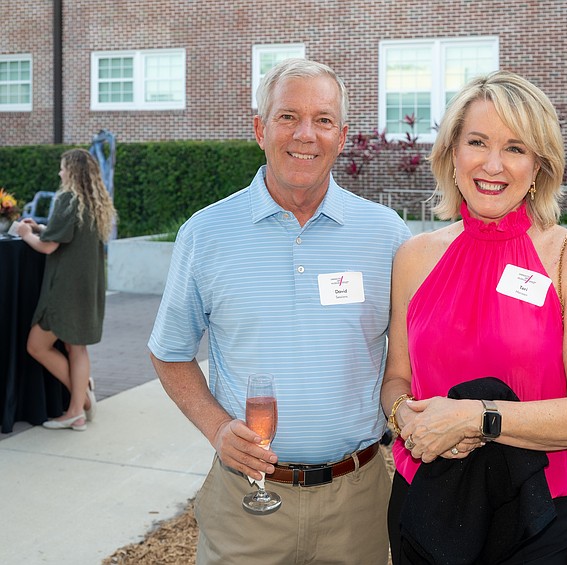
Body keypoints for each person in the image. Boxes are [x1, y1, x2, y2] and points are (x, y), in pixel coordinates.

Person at [148, 58, 410, 565]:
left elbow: (413, 355)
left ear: (342, 135)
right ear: (259, 129)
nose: (305, 135)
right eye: (288, 116)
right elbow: (170, 352)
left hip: (358, 502)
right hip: (247, 504)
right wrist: (217, 428)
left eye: (323, 120)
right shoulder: (205, 235)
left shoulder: (386, 235)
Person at [381, 71, 567, 564]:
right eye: (477, 142)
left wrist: (477, 418)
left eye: (515, 148)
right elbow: (397, 379)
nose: (493, 164)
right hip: (425, 502)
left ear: (539, 166)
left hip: (536, 519)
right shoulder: (414, 257)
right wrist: (404, 416)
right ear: (452, 153)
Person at [17, 149, 116, 432]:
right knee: (77, 348)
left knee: (36, 346)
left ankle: (81, 401)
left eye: (62, 168)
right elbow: (68, 234)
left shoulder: (67, 198)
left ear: (71, 171)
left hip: (64, 289)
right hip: (87, 287)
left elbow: (48, 246)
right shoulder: (95, 203)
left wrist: (26, 234)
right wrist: (41, 227)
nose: (60, 173)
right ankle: (77, 409)